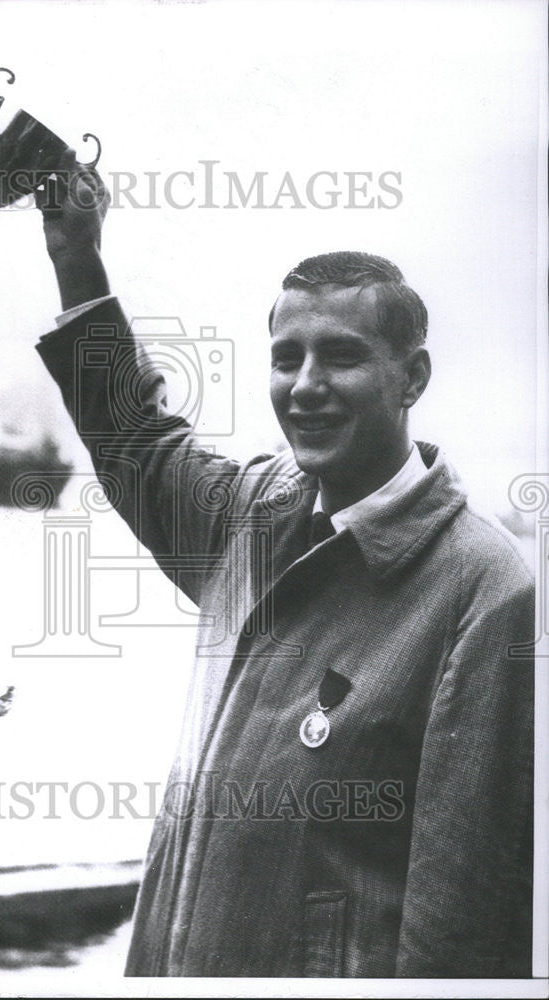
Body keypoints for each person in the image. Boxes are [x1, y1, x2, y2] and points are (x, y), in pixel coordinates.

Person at [32, 151, 534, 978]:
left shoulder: (485, 590)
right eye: (285, 356)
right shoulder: (252, 513)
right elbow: (135, 441)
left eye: (340, 355)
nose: (304, 386)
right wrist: (75, 254)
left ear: (411, 378)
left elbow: (463, 920)